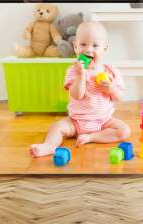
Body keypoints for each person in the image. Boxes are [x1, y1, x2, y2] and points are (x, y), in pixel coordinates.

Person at [29, 21, 131, 157]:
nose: (88, 50)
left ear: (104, 49)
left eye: (95, 45)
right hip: (76, 122)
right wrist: (81, 75)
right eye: (83, 44)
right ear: (75, 47)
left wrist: (111, 89)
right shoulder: (73, 71)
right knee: (56, 127)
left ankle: (92, 137)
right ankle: (49, 146)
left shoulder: (111, 71)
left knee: (124, 130)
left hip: (103, 121)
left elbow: (119, 97)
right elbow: (77, 95)